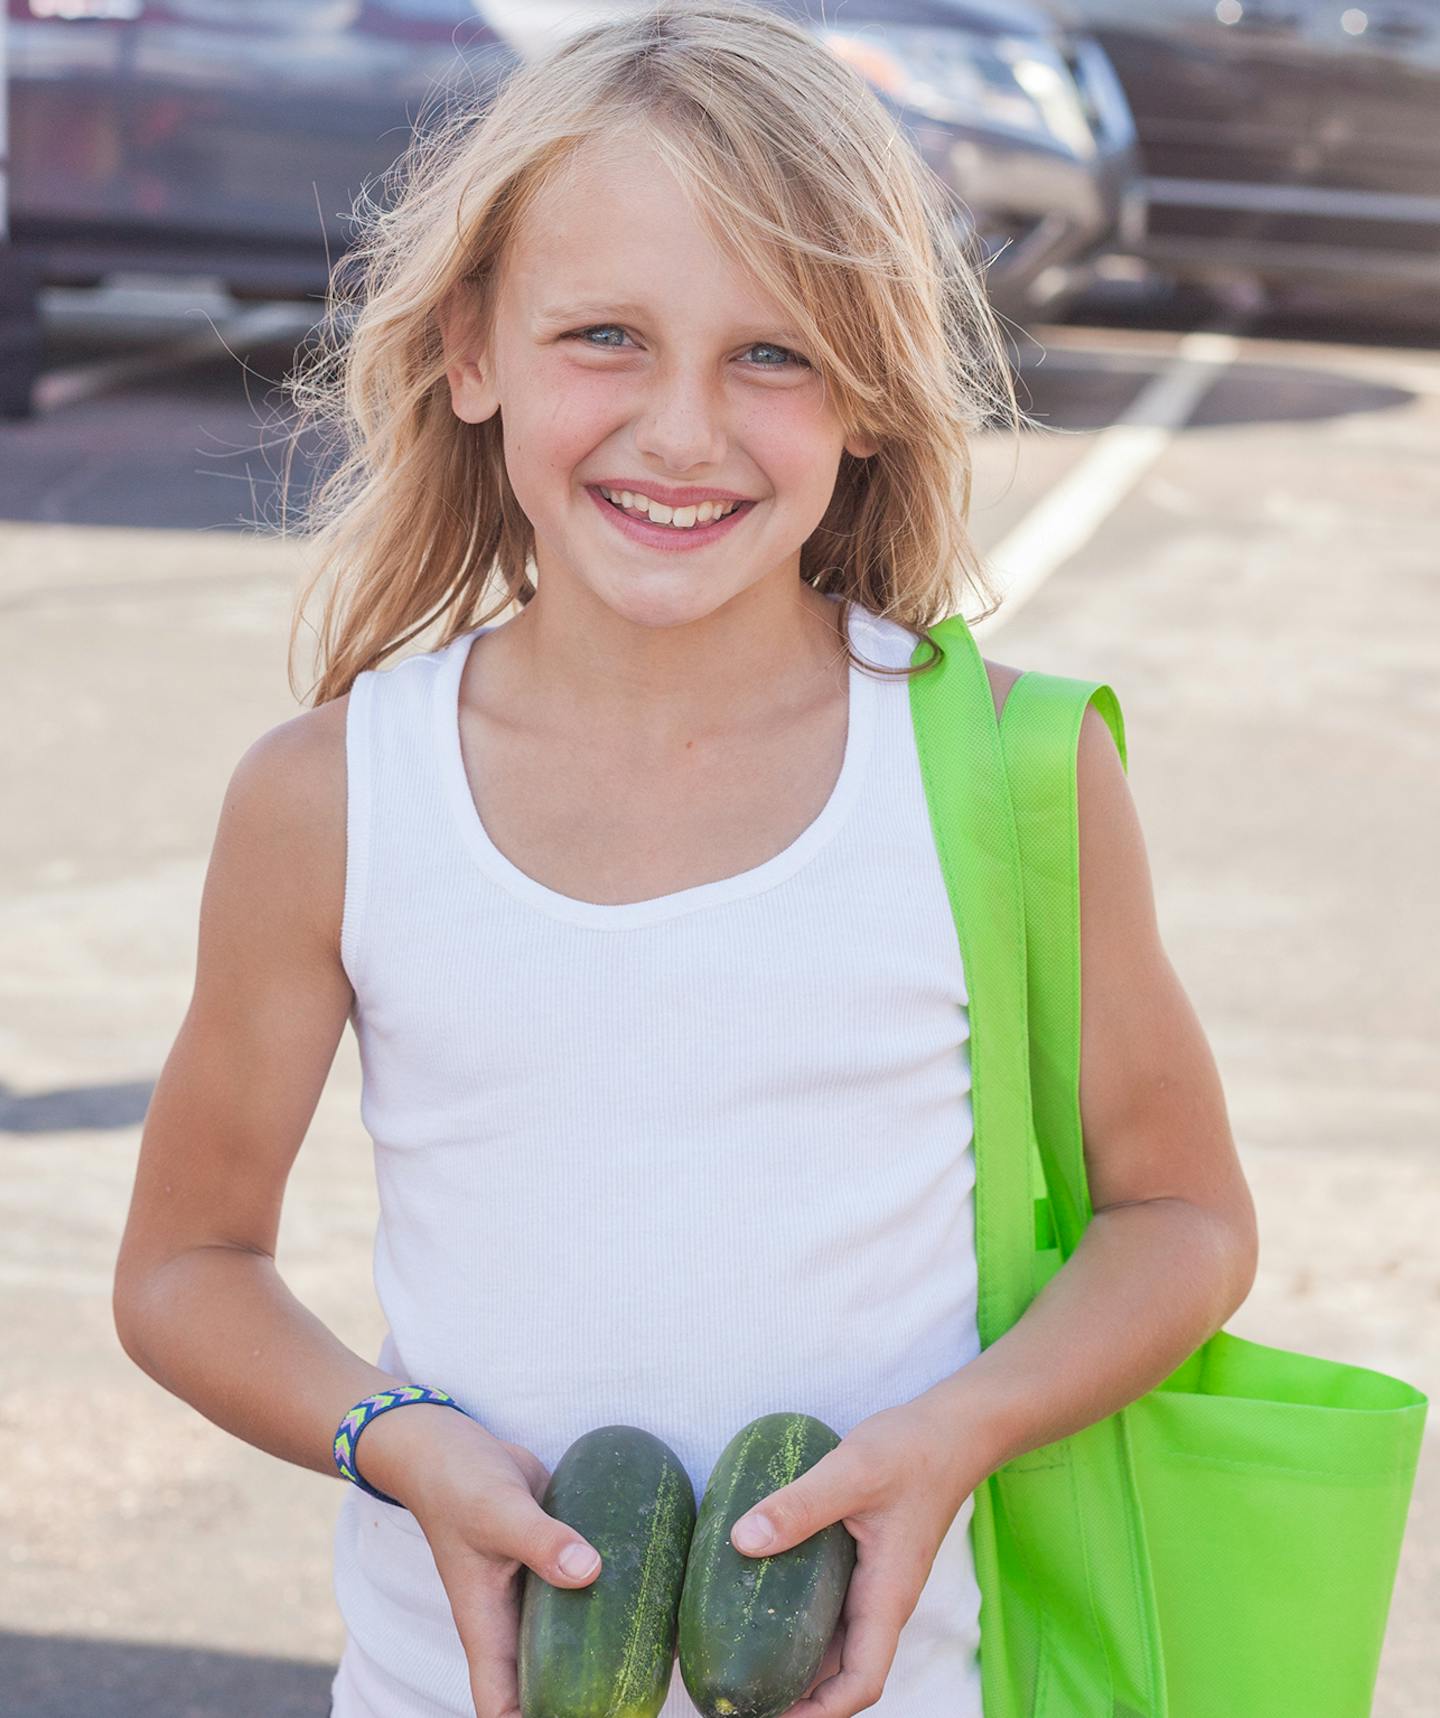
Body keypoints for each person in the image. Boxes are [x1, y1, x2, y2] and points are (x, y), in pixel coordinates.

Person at [112, 4, 1260, 1716]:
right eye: (604, 337)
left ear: (872, 395)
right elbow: (184, 1267)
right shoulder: (334, 797)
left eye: (774, 355)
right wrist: (391, 1435)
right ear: (471, 351)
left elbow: (1182, 1217)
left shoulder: (1014, 770)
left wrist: (961, 1429)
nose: (683, 429)